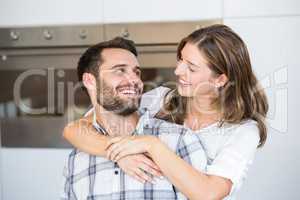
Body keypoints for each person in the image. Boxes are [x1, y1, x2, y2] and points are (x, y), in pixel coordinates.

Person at [63, 24, 269, 199]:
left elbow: (208, 193)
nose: (178, 71)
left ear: (220, 79)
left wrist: (151, 145)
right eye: (180, 60)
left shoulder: (243, 131)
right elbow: (75, 129)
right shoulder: (162, 99)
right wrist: (118, 152)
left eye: (192, 67)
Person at [61, 37, 207, 200]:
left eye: (136, 72)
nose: (135, 80)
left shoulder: (178, 140)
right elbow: (72, 128)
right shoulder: (78, 157)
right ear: (89, 80)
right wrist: (118, 152)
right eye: (120, 70)